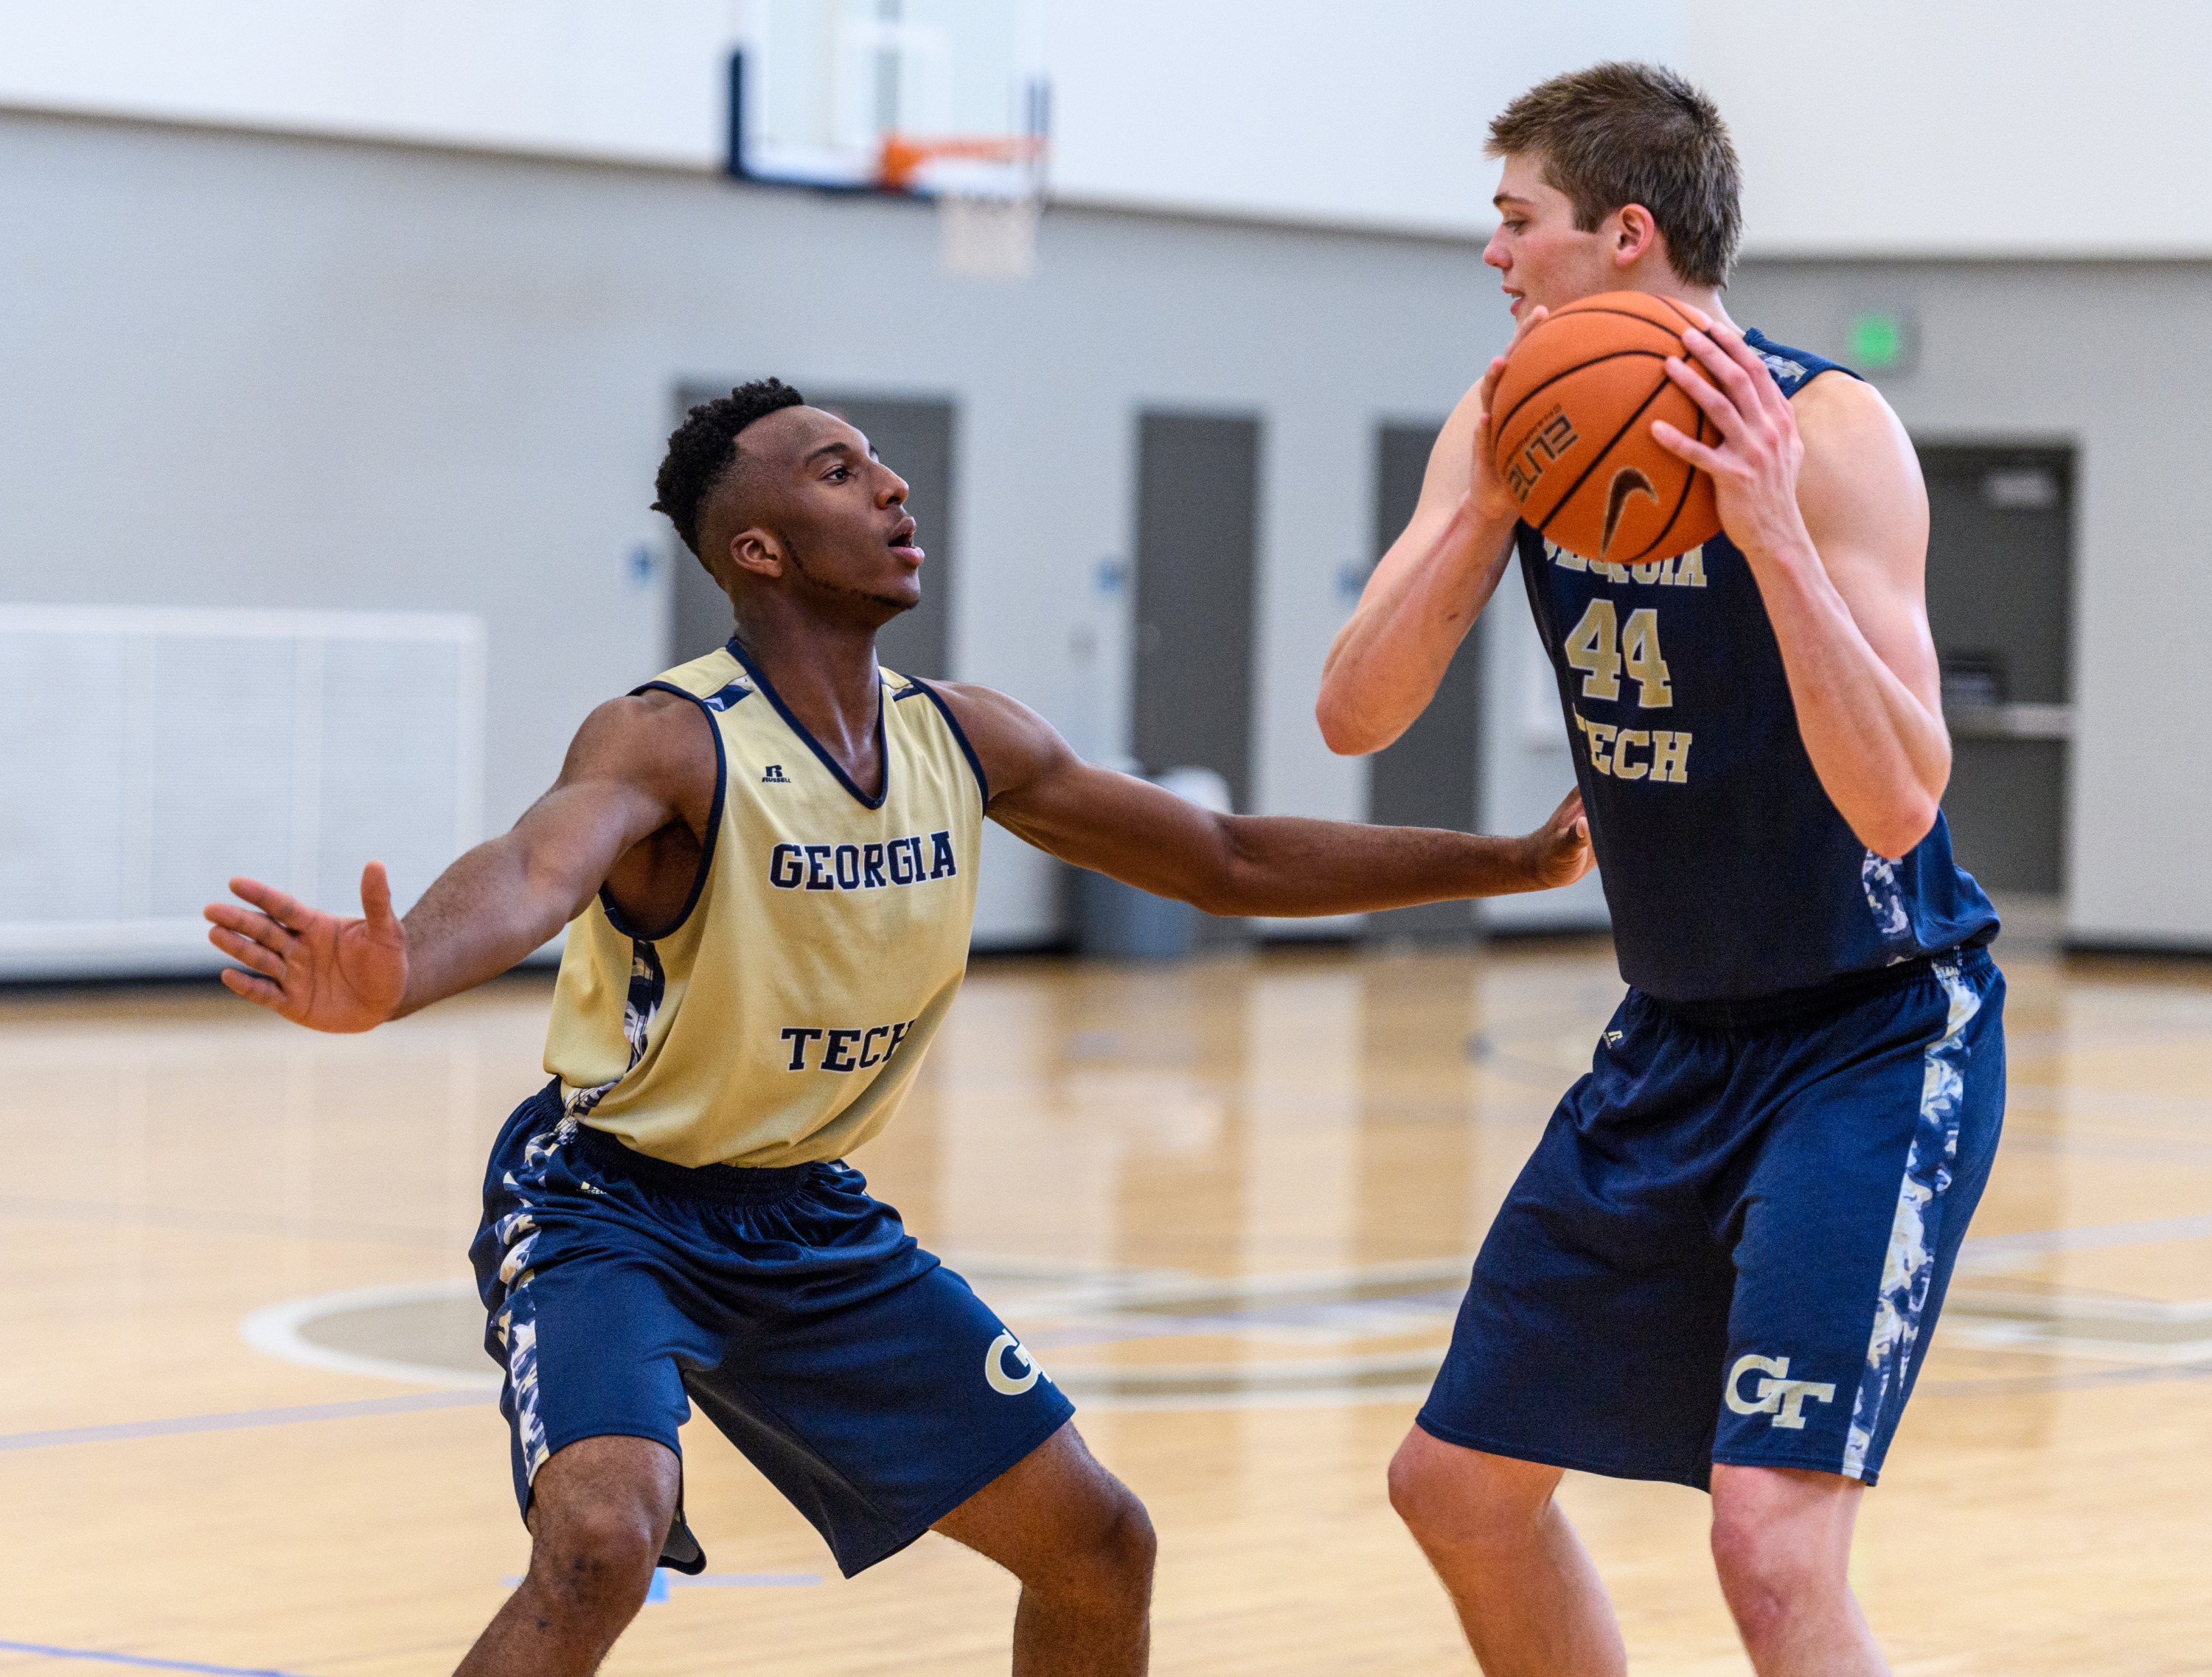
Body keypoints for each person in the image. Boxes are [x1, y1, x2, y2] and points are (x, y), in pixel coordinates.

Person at [205, 377, 1595, 1677]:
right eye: (838, 470)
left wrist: (1506, 863)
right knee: (600, 1541)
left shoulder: (967, 739)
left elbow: (1225, 856)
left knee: (1101, 1546)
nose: (889, 486)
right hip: (608, 1207)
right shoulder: (670, 738)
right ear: (757, 549)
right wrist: (402, 974)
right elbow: (530, 872)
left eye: (878, 461)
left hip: (805, 1220)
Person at [1316, 62, 2003, 1677]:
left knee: (1768, 1538)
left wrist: (1765, 533)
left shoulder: (1828, 431)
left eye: (1516, 220)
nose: (1493, 254)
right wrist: (1486, 508)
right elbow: (1356, 710)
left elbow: (1902, 801)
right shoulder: (1508, 431)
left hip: (1873, 1036)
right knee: (1456, 1488)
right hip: (1674, 1039)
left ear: (1623, 233)